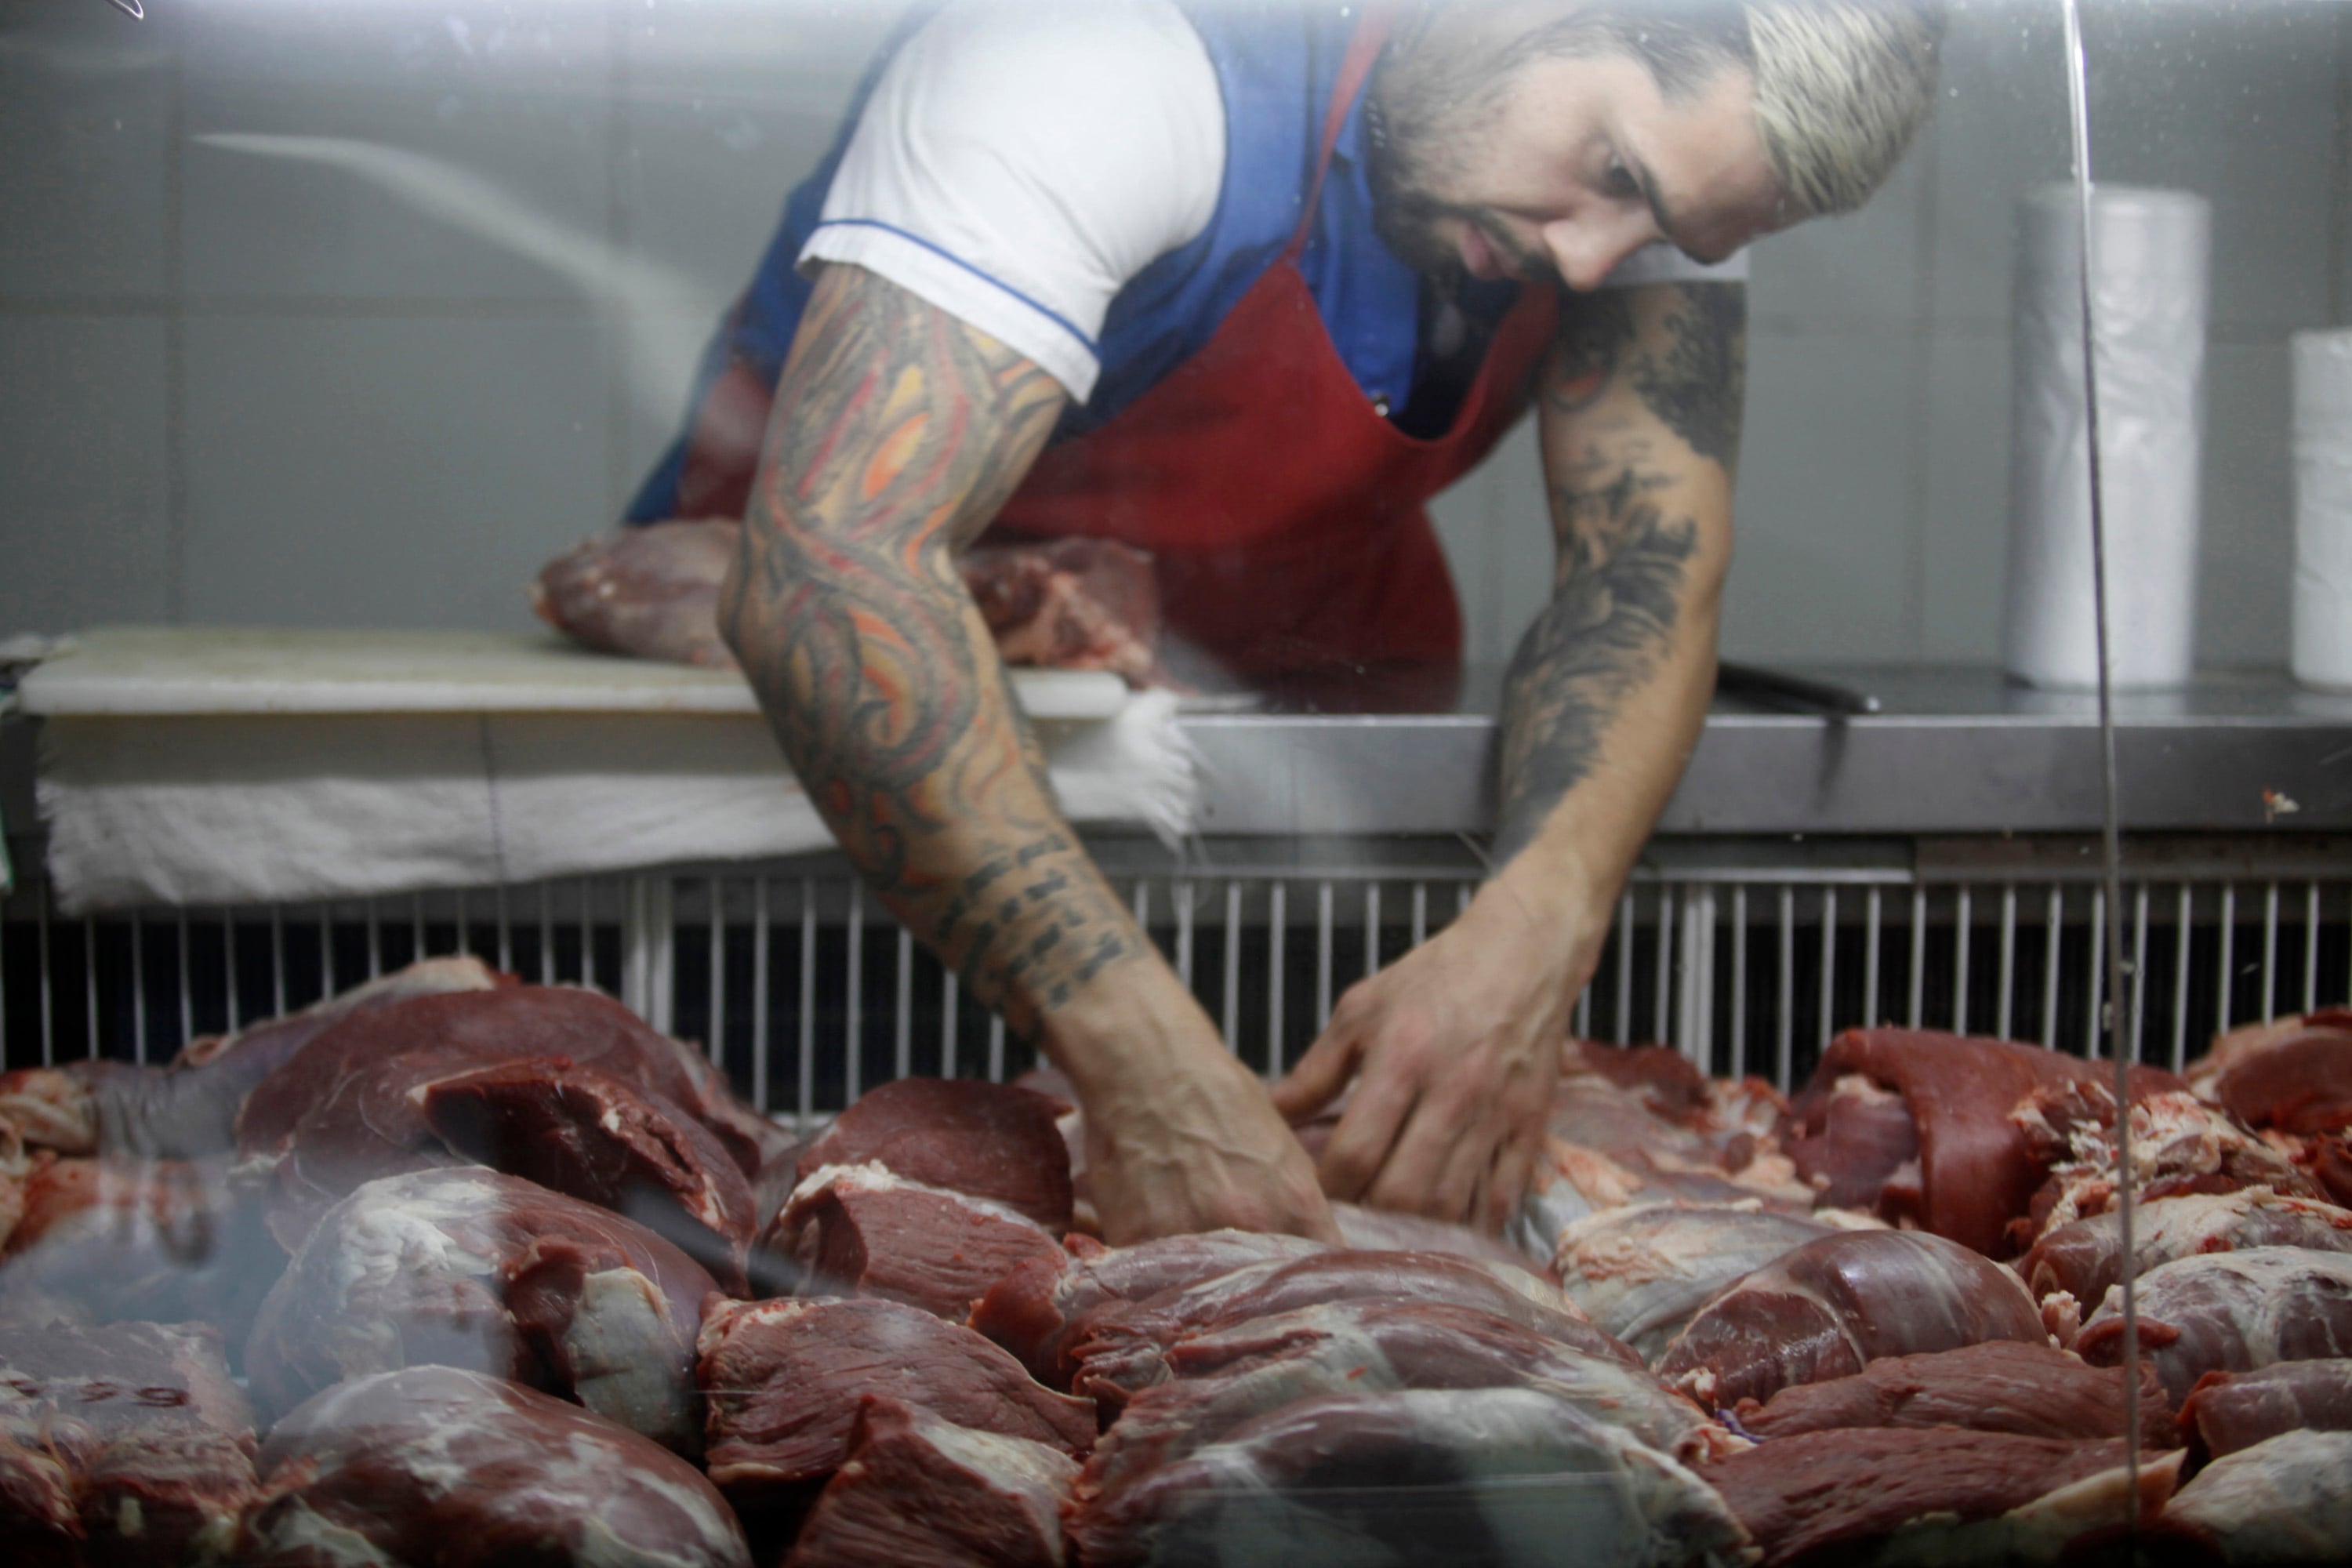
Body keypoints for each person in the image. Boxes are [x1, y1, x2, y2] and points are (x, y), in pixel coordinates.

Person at [630, 0, 1944, 1243]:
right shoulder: (1107, 56)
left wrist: (1535, 932)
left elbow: (1640, 574)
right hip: (838, 818)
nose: (1591, 259)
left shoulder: (1663, 151)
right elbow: (834, 567)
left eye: (1659, 229)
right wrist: (1143, 1064)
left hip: (1274, 781)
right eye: (1609, 171)